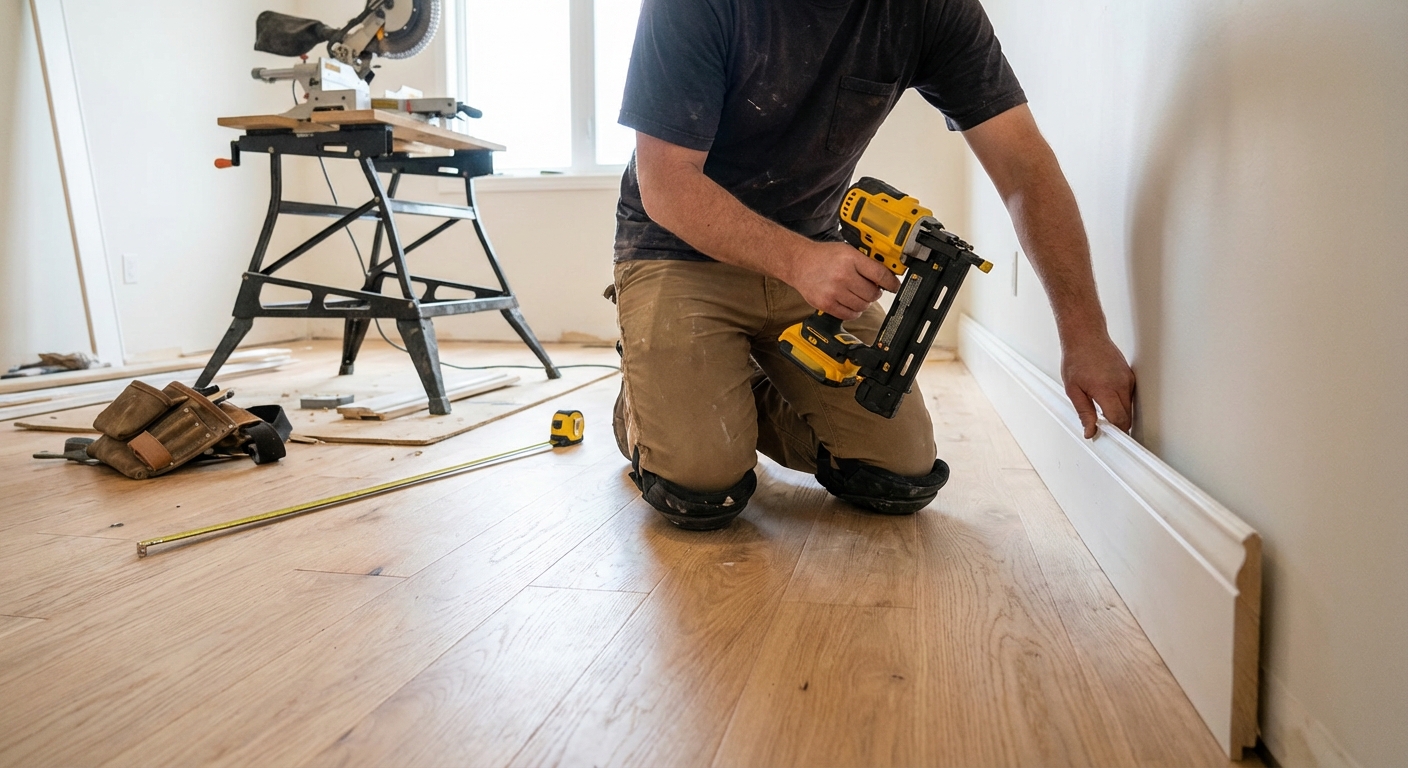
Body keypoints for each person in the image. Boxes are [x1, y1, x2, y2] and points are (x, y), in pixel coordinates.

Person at [609, 0, 1135, 531]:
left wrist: (1085, 334)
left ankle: (713, 388)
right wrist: (803, 261)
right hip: (677, 251)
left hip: (809, 254)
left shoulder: (932, 10)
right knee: (702, 486)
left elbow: (1025, 167)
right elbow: (667, 184)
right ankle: (646, 404)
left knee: (899, 473)